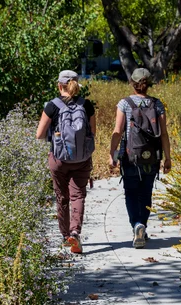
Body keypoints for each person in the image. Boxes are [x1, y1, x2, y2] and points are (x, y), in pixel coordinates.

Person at [108, 68, 171, 248]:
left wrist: (112, 154)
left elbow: (117, 132)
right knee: (145, 193)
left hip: (130, 156)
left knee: (131, 193)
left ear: (132, 83)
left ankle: (136, 224)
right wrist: (168, 158)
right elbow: (164, 134)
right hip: (151, 156)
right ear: (148, 84)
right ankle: (142, 224)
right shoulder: (157, 104)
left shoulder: (125, 104)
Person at [36, 70, 96, 254]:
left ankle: (65, 236)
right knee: (78, 196)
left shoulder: (51, 106)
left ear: (59, 85)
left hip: (58, 159)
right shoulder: (87, 105)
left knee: (62, 198)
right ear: (77, 85)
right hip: (82, 159)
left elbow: (39, 135)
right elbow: (92, 133)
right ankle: (75, 232)